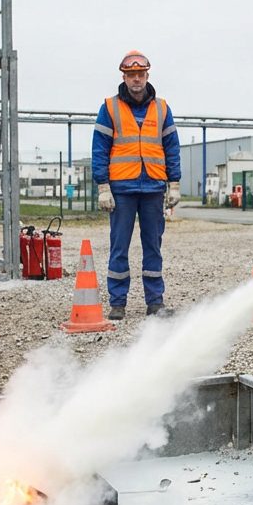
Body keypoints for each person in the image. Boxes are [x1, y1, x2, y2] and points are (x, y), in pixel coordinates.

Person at [92, 50, 182, 319]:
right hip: (122, 189)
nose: (136, 80)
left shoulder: (162, 108)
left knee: (153, 246)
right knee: (119, 246)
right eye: (131, 75)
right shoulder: (109, 108)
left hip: (153, 187)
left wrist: (174, 183)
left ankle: (155, 301)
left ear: (147, 76)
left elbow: (171, 147)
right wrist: (102, 186)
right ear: (124, 77)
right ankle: (117, 302)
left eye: (140, 74)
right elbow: (100, 149)